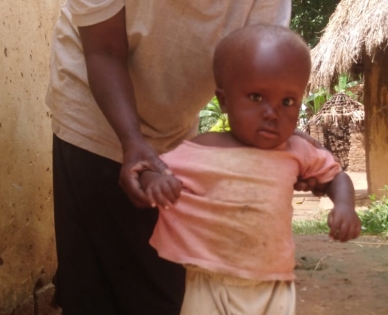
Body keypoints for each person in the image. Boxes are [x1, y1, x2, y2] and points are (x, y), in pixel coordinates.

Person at [45, 1, 313, 314]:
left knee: (163, 287)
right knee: (92, 288)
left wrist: (278, 144)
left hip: (174, 129)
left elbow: (258, 70)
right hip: (92, 112)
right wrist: (132, 141)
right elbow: (103, 50)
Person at [139, 25, 362, 315]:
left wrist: (345, 207)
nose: (272, 113)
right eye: (257, 97)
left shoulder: (297, 149)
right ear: (224, 101)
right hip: (210, 281)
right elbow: (152, 170)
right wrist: (153, 180)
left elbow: (336, 176)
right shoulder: (202, 150)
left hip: (273, 282)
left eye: (287, 101)